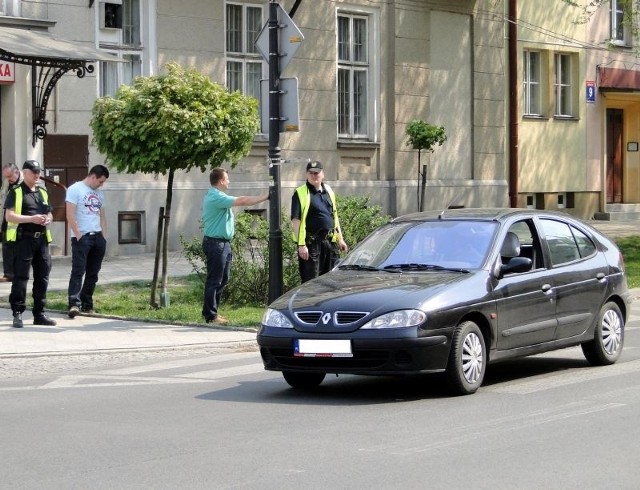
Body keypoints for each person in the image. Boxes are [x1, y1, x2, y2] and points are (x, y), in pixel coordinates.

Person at [201, 167, 269, 324]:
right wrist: (264, 197)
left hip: (222, 244)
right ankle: (210, 315)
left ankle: (211, 312)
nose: (229, 181)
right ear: (221, 181)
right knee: (215, 280)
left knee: (223, 279)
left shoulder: (218, 195)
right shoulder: (215, 197)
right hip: (216, 244)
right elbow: (243, 201)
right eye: (227, 178)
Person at [4, 160, 56, 328]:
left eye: (38, 171)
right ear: (24, 173)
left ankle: (39, 313)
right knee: (21, 278)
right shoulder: (16, 192)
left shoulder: (42, 192)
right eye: (33, 172)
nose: (36, 175)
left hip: (41, 240)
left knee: (42, 277)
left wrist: (48, 219)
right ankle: (17, 313)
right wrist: (31, 219)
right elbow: (9, 216)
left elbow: (50, 213)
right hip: (23, 240)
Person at [291, 160, 348, 283]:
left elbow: (334, 216)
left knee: (332, 281)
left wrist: (340, 239)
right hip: (312, 244)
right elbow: (296, 221)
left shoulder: (328, 190)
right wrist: (301, 245)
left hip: (330, 243)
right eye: (311, 173)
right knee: (311, 281)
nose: (314, 175)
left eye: (317, 173)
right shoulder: (300, 193)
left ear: (323, 174)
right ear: (307, 175)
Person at [65, 165, 110, 318]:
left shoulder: (100, 194)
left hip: (97, 237)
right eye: (100, 181)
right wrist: (78, 234)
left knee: (93, 273)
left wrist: (104, 236)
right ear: (93, 177)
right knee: (78, 270)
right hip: (82, 237)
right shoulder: (75, 189)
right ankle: (73, 303)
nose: (101, 184)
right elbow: (70, 214)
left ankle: (87, 303)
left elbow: (102, 215)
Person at [0, 163, 24, 282]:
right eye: (6, 177)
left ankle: (18, 273)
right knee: (7, 246)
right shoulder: (7, 182)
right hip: (6, 219)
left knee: (19, 249)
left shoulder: (25, 182)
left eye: (9, 176)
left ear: (16, 172)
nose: (8, 180)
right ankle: (8, 274)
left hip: (20, 220)